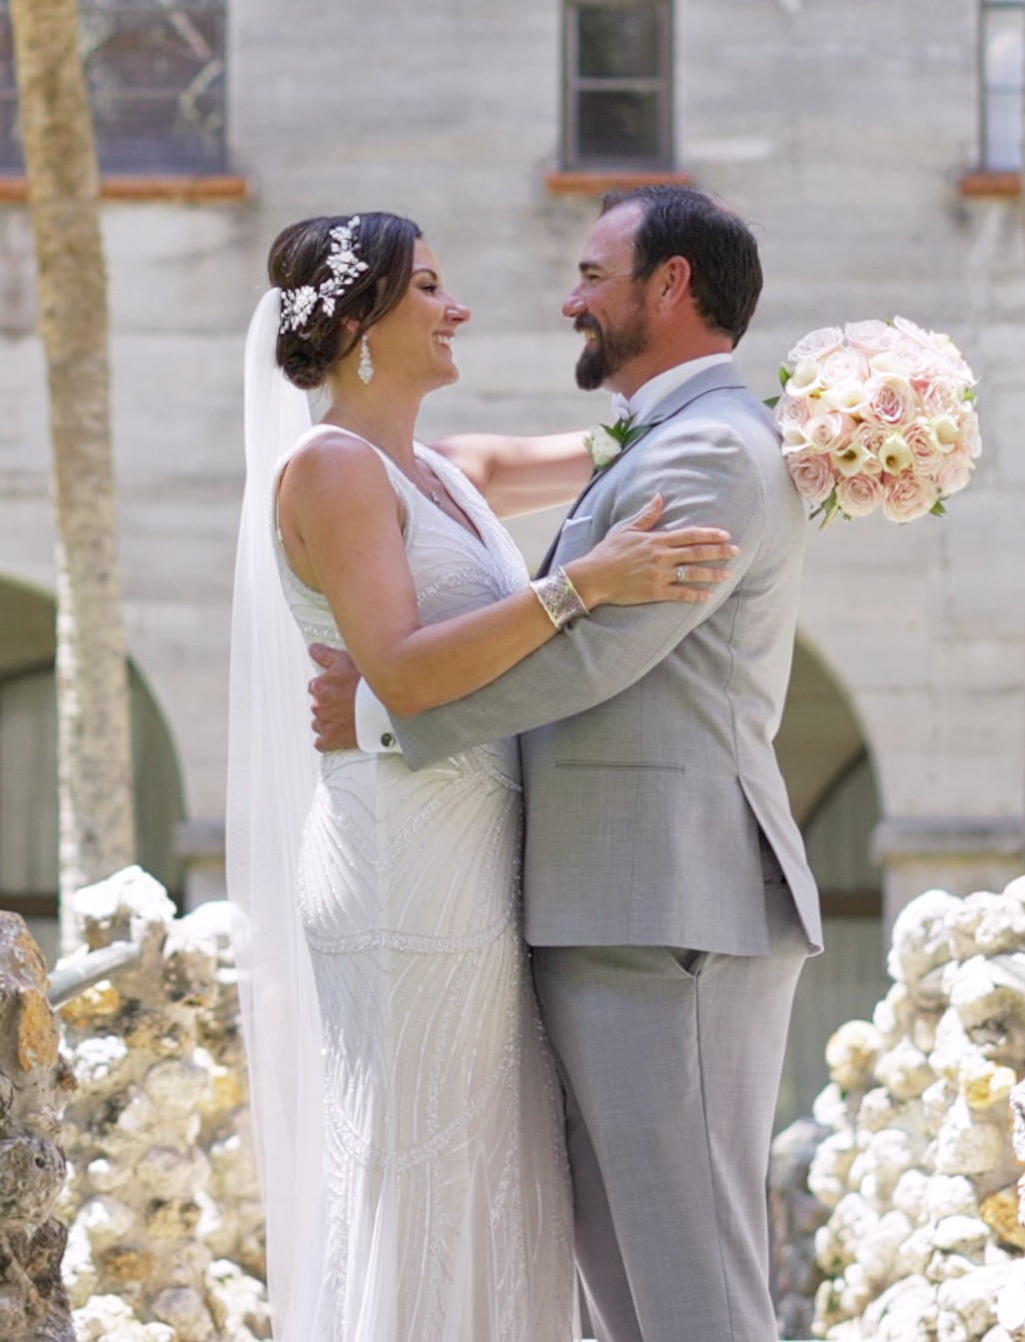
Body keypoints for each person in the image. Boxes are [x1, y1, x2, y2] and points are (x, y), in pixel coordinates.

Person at [316, 186, 825, 1342]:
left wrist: (387, 715)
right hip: (611, 906)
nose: (568, 300)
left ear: (672, 285)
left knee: (694, 1282)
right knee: (624, 1281)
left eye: (594, 275)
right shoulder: (667, 439)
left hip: (672, 912)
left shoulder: (710, 453)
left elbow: (596, 658)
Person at [226, 208, 740, 1342]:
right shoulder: (331, 471)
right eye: (431, 290)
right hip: (402, 868)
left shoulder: (450, 473)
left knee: (496, 1168)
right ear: (360, 321)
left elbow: (638, 437)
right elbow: (403, 676)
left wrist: (836, 419)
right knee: (422, 1164)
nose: (457, 309)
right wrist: (581, 590)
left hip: (475, 862)